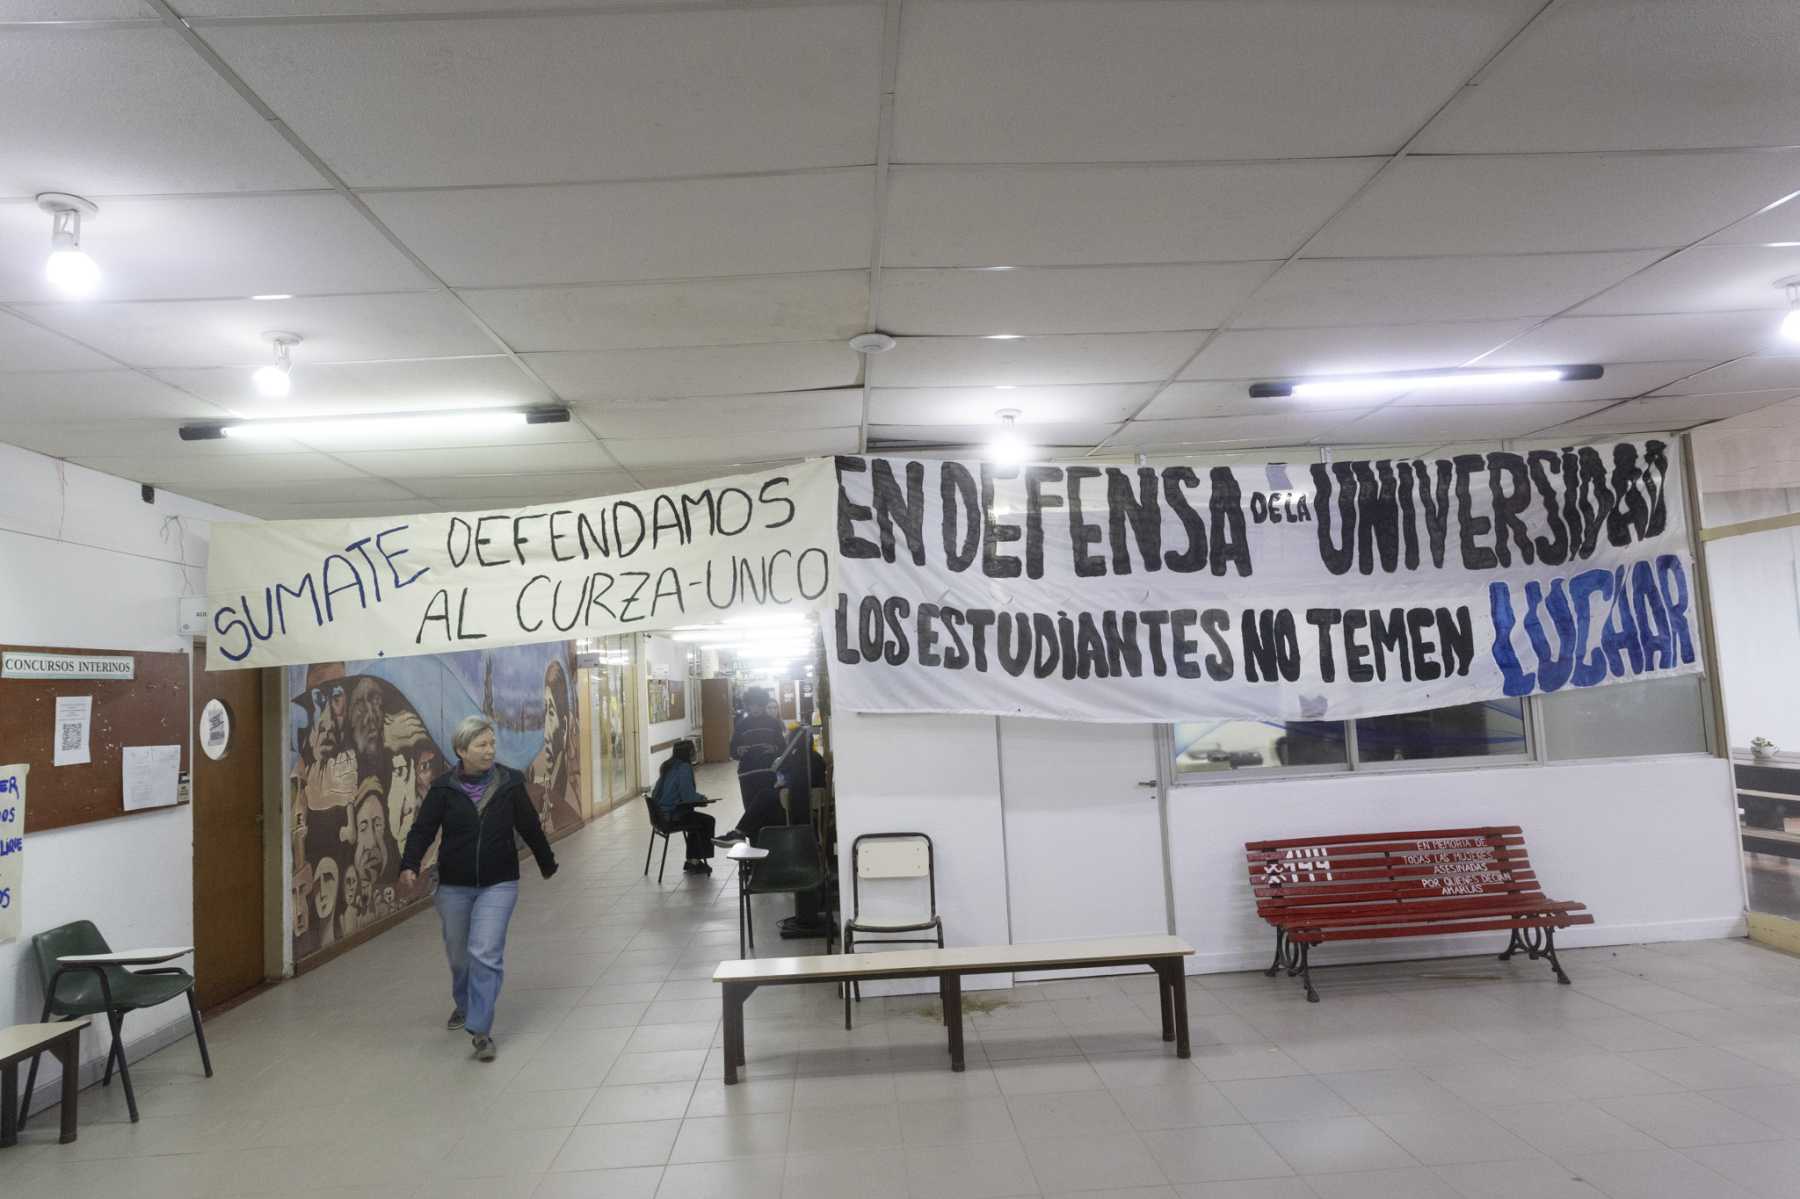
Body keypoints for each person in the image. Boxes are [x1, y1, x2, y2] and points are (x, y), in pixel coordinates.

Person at [399, 715, 558, 1062]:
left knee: (485, 950)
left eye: (492, 744)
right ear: (461, 750)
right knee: (459, 954)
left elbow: (529, 826)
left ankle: (481, 1028)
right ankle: (464, 1003)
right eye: (481, 745)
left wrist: (547, 863)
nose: (490, 751)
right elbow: (423, 830)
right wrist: (409, 864)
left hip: (499, 882)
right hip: (453, 885)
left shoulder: (510, 783)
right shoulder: (443, 789)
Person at [652, 739, 715, 874]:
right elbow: (688, 797)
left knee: (694, 819)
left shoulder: (668, 766)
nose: (696, 752)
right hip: (672, 816)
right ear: (690, 752)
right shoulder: (684, 768)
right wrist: (702, 799)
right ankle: (694, 861)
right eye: (694, 750)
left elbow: (657, 793)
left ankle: (692, 860)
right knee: (707, 821)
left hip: (659, 817)